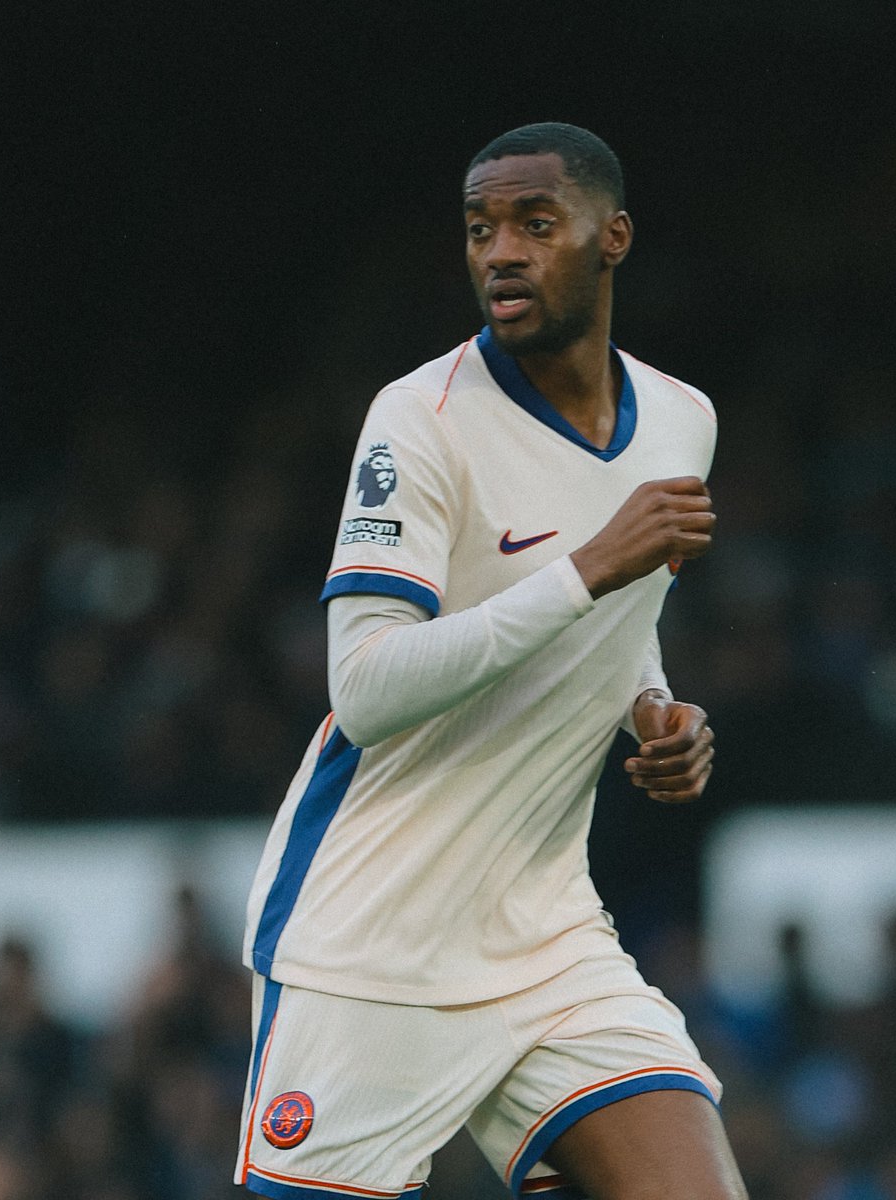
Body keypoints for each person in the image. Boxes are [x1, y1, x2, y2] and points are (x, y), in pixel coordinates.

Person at [235, 122, 746, 1200]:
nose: (501, 252)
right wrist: (588, 566)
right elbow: (364, 690)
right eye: (481, 229)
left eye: (535, 224)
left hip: (546, 932)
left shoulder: (682, 420)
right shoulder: (420, 419)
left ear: (613, 238)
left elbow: (625, 616)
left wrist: (654, 706)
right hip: (373, 939)